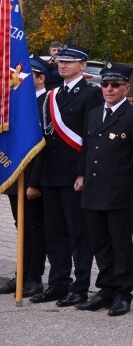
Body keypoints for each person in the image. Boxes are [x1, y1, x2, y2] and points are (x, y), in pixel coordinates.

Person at [74, 63, 133, 316]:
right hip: (93, 192)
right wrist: (81, 174)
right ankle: (105, 290)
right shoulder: (94, 114)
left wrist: (127, 188)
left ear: (127, 88)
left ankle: (122, 293)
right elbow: (87, 149)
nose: (109, 89)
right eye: (105, 84)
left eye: (115, 85)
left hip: (118, 195)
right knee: (100, 245)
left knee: (120, 246)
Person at [31, 43, 102, 307]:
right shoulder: (51, 95)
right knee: (55, 234)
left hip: (73, 176)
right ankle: (58, 283)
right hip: (51, 176)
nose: (62, 65)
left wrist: (83, 172)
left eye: (69, 61)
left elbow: (90, 138)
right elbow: (44, 141)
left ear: (83, 66)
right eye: (60, 61)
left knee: (78, 235)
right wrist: (36, 180)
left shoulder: (90, 94)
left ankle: (80, 286)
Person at [0, 56, 49, 297]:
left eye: (26, 78)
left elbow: (44, 147)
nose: (18, 82)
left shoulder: (46, 103)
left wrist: (35, 182)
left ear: (41, 79)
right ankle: (21, 273)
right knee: (22, 227)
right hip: (15, 175)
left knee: (35, 228)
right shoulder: (16, 104)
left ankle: (34, 277)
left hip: (33, 180)